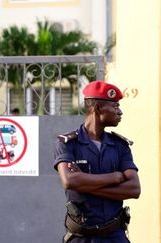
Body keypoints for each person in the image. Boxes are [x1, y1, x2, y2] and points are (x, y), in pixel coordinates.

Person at [53, 80, 141, 243]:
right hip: (81, 238)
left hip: (115, 236)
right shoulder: (67, 143)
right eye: (115, 106)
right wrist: (114, 177)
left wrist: (84, 184)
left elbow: (134, 189)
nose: (120, 112)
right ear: (98, 108)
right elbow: (69, 180)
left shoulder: (120, 146)